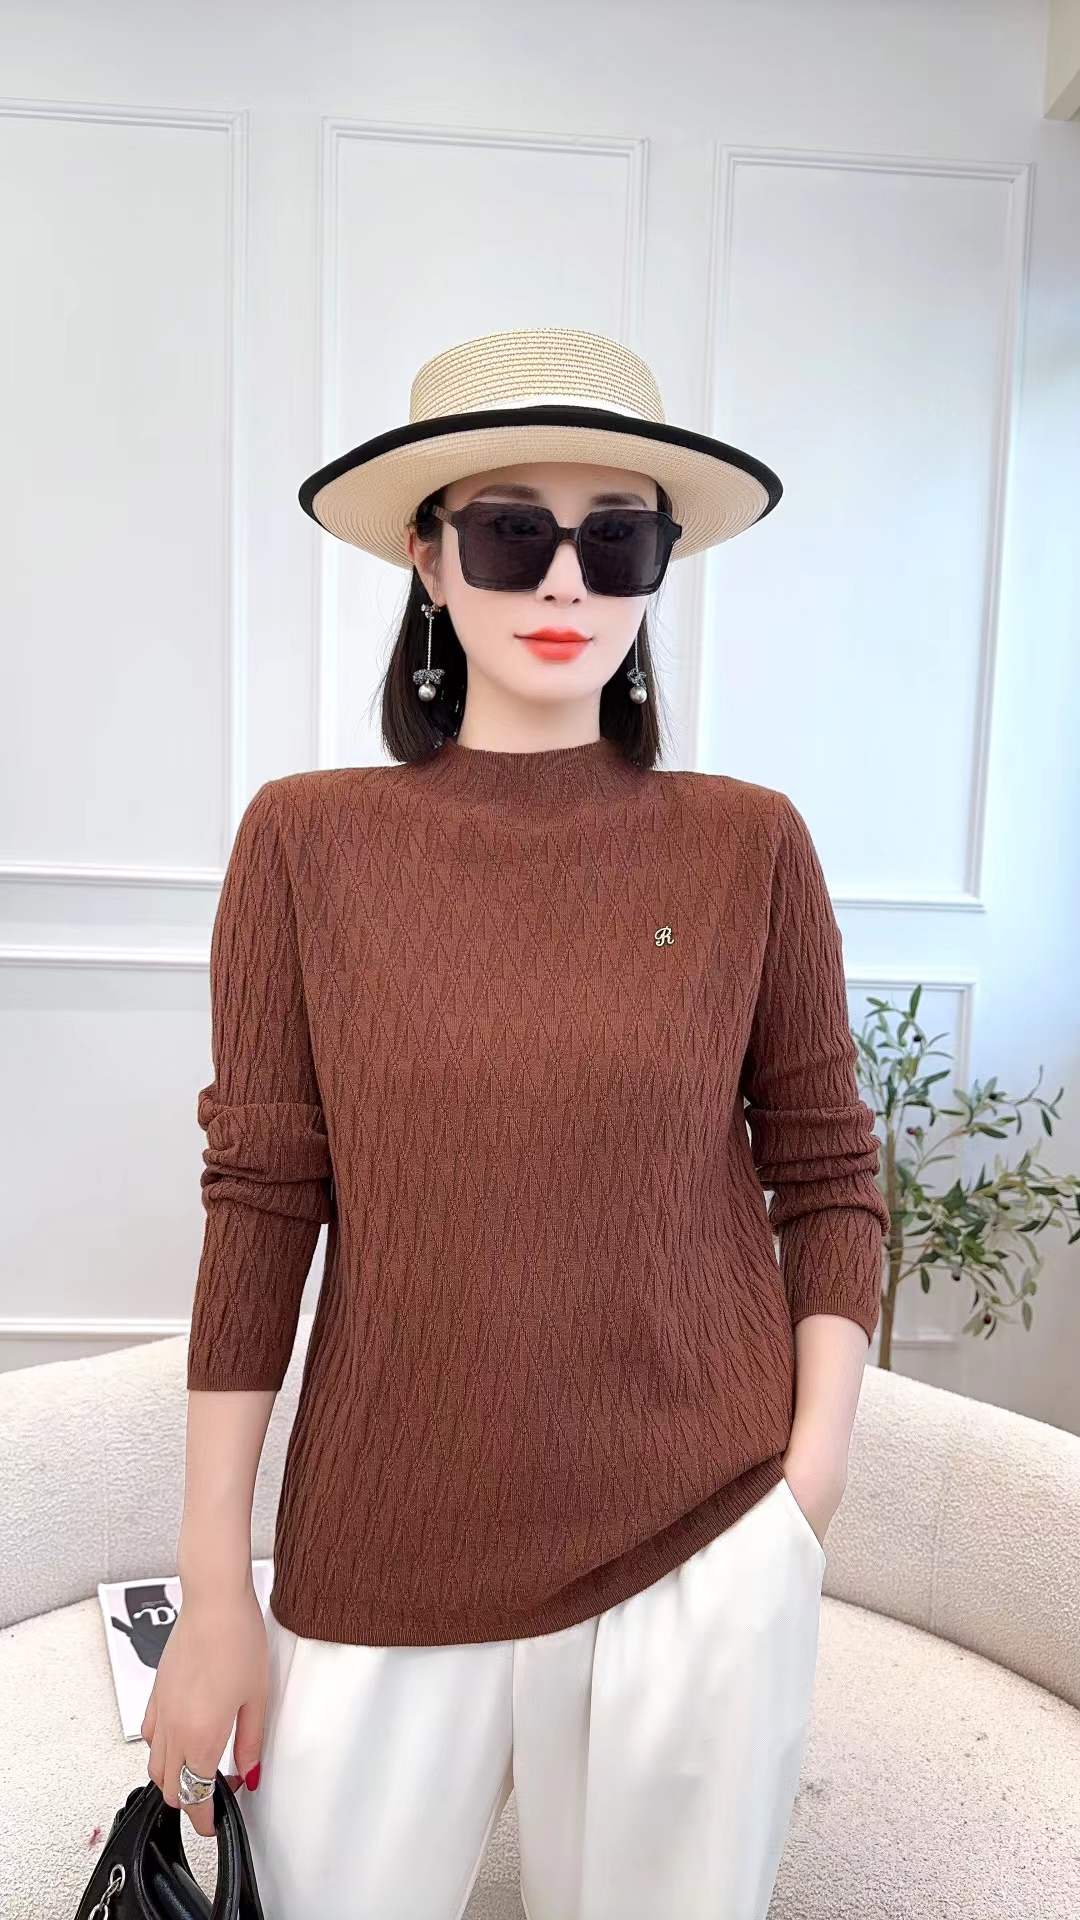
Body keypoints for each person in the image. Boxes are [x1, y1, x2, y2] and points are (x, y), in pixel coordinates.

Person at [143, 325, 890, 1920]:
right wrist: (215, 1584)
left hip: (702, 1540)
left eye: (615, 538)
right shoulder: (306, 844)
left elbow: (829, 1170)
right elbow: (261, 1204)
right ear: (426, 558)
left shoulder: (749, 846)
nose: (565, 581)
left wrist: (804, 1489)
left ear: (657, 566)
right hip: (382, 1539)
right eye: (508, 532)